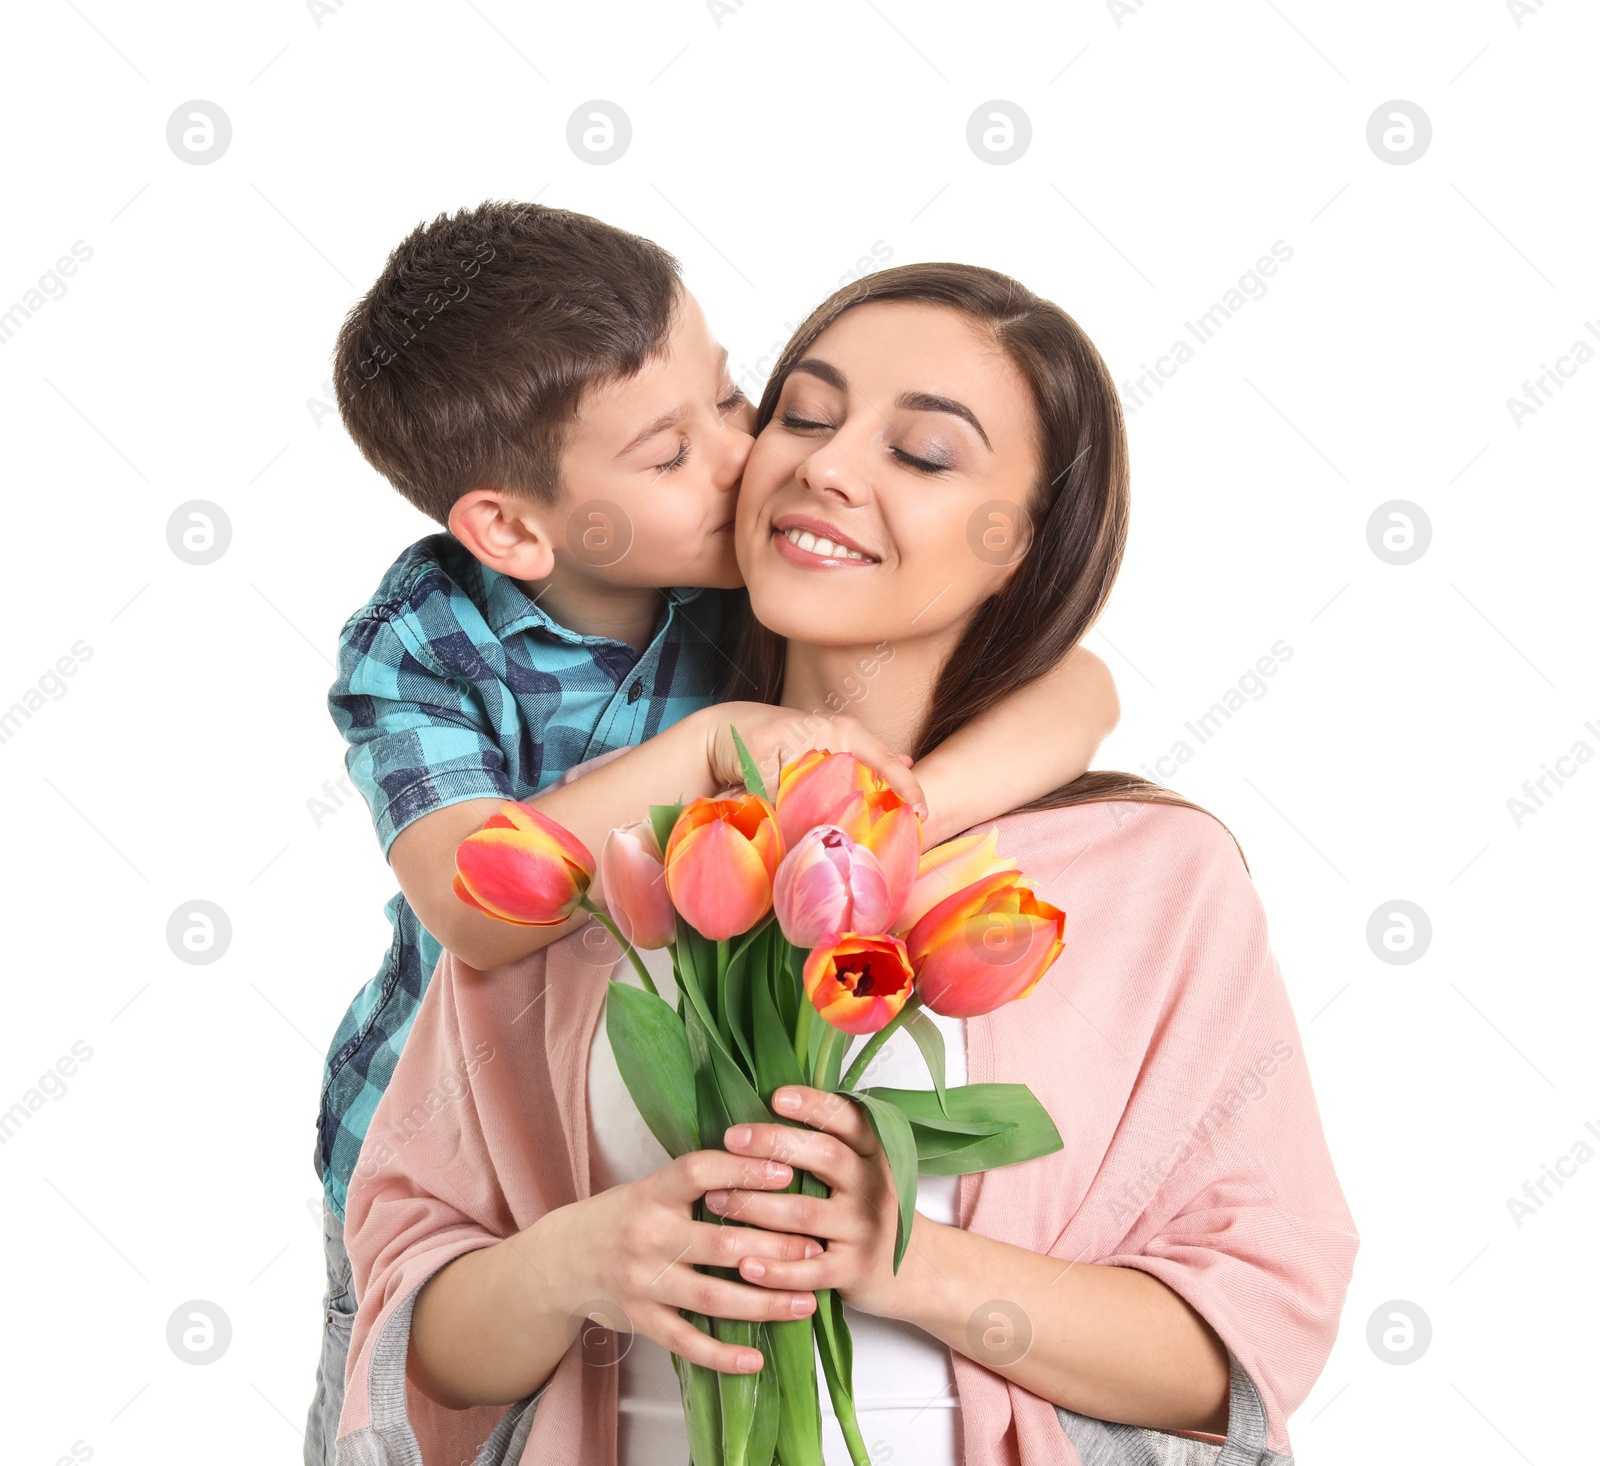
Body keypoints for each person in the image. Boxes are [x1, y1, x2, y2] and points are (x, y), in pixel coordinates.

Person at [335, 262, 1358, 1466]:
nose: (824, 464)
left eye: (923, 453)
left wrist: (906, 1258)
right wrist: (574, 1264)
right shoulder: (585, 854)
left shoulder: (1153, 878)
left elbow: (1246, 1336)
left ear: (1027, 543)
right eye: (803, 416)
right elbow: (410, 1326)